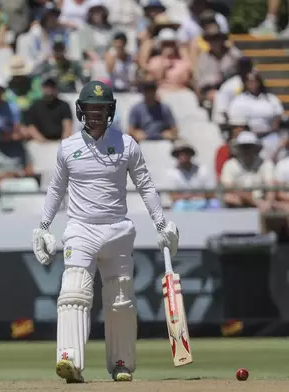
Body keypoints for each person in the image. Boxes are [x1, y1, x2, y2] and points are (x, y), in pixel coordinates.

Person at [32, 81, 179, 383]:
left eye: (101, 109)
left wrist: (161, 223)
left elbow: (146, 186)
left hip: (118, 230)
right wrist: (43, 226)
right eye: (90, 109)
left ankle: (121, 363)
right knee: (73, 292)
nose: (95, 114)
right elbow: (56, 189)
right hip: (80, 229)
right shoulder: (68, 147)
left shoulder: (127, 145)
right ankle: (69, 359)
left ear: (110, 110)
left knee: (121, 300)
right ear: (81, 111)